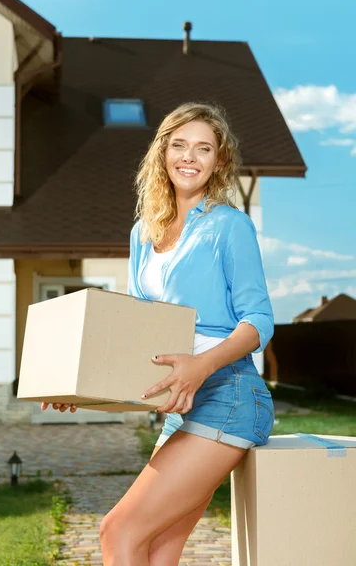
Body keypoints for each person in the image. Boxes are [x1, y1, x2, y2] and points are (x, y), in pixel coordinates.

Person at [42, 102, 275, 565]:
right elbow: (137, 329)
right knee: (154, 551)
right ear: (163, 152)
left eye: (204, 148)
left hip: (228, 396)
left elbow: (259, 321)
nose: (190, 157)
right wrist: (81, 388)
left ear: (219, 161)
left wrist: (199, 368)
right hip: (178, 405)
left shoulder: (230, 226)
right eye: (180, 145)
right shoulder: (142, 233)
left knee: (119, 531)